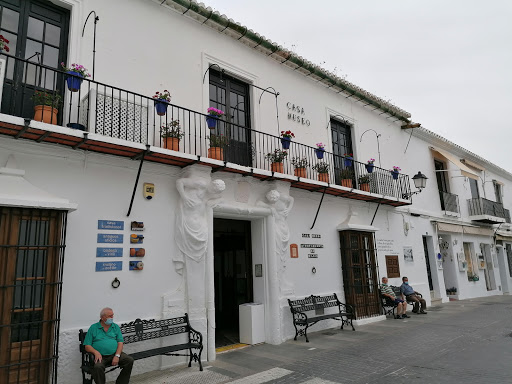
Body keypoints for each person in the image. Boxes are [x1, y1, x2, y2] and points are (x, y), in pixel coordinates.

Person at [83, 307, 134, 384]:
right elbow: (87, 345)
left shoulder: (115, 327)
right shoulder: (93, 328)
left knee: (129, 360)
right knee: (98, 367)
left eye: (112, 315)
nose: (112, 318)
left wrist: (117, 356)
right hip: (100, 356)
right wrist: (95, 352)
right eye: (110, 316)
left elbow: (120, 342)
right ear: (103, 317)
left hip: (114, 353)